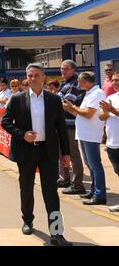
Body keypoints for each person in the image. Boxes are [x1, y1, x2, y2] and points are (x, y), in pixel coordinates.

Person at [1, 63, 72, 246]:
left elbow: (61, 129)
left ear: (43, 77)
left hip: (47, 151)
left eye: (36, 75)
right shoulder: (17, 99)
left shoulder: (54, 99)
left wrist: (66, 153)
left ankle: (57, 233)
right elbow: (5, 122)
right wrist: (22, 135)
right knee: (26, 188)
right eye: (30, 76)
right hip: (26, 151)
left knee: (51, 192)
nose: (33, 78)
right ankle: (27, 220)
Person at [63, 72, 107, 205]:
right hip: (84, 133)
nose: (77, 84)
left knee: (95, 165)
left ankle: (100, 194)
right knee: (90, 165)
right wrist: (69, 108)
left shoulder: (97, 93)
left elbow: (88, 114)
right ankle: (94, 190)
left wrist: (73, 108)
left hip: (91, 134)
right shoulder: (89, 93)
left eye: (79, 82)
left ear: (87, 82)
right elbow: (80, 113)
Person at [57, 60, 86, 195]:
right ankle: (64, 178)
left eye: (66, 69)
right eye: (62, 68)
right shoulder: (65, 83)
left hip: (71, 125)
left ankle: (77, 184)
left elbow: (66, 103)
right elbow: (59, 101)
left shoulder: (75, 84)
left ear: (73, 70)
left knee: (73, 154)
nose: (63, 71)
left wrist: (55, 100)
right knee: (61, 153)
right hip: (61, 124)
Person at [99, 71, 119, 212]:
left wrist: (111, 109)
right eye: (113, 80)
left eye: (117, 80)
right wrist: (106, 112)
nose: (115, 83)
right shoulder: (111, 97)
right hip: (112, 143)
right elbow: (101, 117)